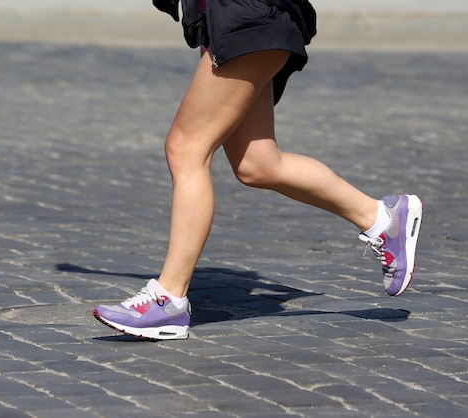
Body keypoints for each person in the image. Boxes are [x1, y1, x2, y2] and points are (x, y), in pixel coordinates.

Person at [93, 0, 423, 340]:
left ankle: (169, 298)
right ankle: (383, 219)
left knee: (186, 149)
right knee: (258, 164)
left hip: (248, 17)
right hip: (242, 21)